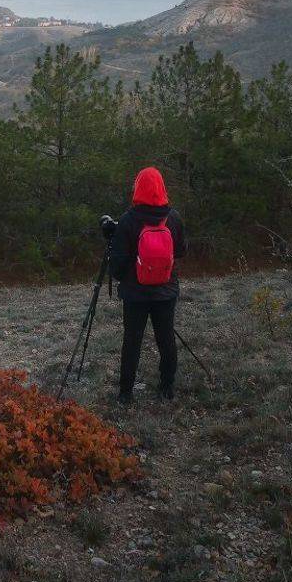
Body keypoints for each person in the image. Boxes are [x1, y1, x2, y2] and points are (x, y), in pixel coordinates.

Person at [104, 166, 186, 404]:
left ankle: (126, 393)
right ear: (162, 187)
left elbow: (117, 267)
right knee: (166, 338)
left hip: (135, 294)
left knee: (132, 341)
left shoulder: (128, 220)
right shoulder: (173, 217)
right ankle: (167, 387)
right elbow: (181, 251)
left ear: (138, 187)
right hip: (166, 291)